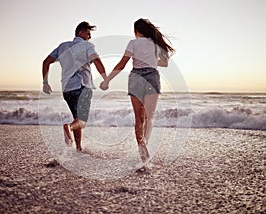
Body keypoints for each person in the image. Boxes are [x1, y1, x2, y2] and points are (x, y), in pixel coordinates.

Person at [100, 18, 175, 172]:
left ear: (136, 31)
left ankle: (142, 148)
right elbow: (165, 63)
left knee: (138, 119)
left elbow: (122, 64)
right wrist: (152, 61)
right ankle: (145, 144)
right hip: (152, 77)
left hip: (135, 78)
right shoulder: (156, 44)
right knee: (149, 117)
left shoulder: (133, 43)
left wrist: (107, 80)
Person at [42, 21, 107, 151]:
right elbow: (97, 61)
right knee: (82, 121)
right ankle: (69, 128)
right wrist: (105, 79)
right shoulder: (87, 46)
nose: (89, 37)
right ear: (80, 32)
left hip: (67, 90)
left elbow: (46, 62)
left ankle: (78, 147)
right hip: (82, 87)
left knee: (77, 119)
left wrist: (45, 82)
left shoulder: (62, 46)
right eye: (88, 34)